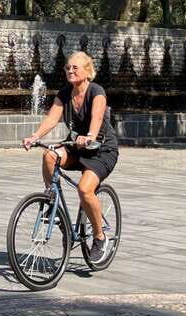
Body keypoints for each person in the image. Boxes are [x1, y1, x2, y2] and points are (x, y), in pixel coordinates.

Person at [21, 51, 119, 262]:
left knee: (85, 189)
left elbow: (97, 117)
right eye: (67, 68)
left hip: (102, 150)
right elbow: (51, 119)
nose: (70, 71)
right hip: (76, 147)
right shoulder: (65, 94)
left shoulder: (96, 92)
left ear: (87, 70)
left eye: (75, 67)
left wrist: (90, 135)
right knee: (49, 155)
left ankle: (100, 237)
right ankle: (51, 201)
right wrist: (35, 136)